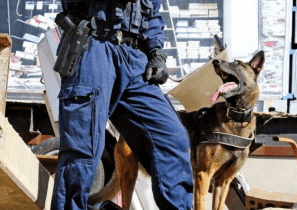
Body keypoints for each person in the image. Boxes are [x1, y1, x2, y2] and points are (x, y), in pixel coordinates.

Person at [51, 0, 193, 209]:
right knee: (82, 151)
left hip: (133, 56)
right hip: (92, 47)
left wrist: (156, 52)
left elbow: (152, 12)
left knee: (172, 138)